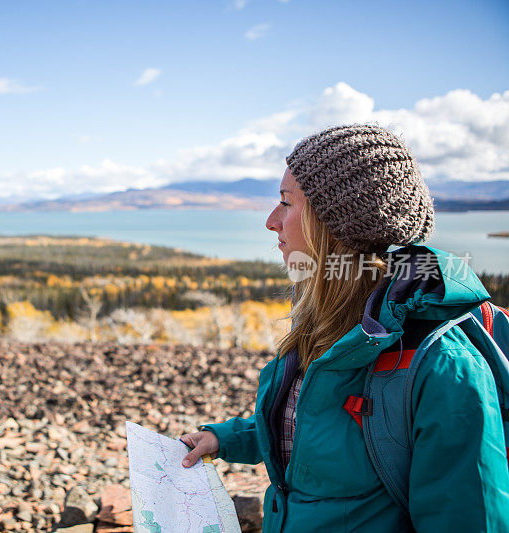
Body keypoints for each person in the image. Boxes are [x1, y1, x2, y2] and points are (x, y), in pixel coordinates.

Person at [180, 124, 509, 532]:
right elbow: (312, 421)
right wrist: (224, 439)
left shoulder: (442, 366)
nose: (270, 221)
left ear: (338, 226)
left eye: (286, 203)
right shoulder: (328, 325)